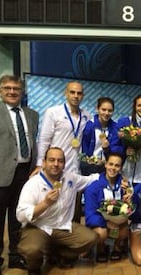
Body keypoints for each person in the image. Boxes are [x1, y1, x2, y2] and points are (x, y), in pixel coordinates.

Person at [0, 75, 39, 275]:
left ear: (22, 91)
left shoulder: (32, 114)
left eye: (16, 88)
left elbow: (32, 142)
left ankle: (16, 255)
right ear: (0, 90)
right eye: (7, 88)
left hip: (25, 173)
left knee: (19, 218)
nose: (12, 91)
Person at [16, 147, 99, 275]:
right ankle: (34, 266)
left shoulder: (70, 179)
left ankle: (59, 254)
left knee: (91, 239)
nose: (56, 164)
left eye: (60, 161)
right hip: (39, 227)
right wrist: (45, 204)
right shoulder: (33, 184)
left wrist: (116, 177)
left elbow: (91, 179)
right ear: (44, 162)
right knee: (32, 249)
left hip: (63, 226)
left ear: (64, 164)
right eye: (51, 160)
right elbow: (20, 215)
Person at [35, 81, 91, 222]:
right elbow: (44, 139)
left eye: (79, 93)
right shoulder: (53, 112)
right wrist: (39, 163)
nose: (75, 96)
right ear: (65, 93)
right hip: (55, 167)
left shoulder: (86, 116)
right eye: (72, 92)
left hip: (75, 169)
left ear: (83, 96)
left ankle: (74, 240)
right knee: (53, 205)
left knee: (74, 209)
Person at [84, 153, 132, 262]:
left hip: (118, 223)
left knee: (124, 228)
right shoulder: (94, 187)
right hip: (101, 224)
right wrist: (106, 222)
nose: (113, 168)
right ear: (105, 165)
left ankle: (117, 248)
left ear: (120, 168)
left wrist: (129, 198)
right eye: (111, 164)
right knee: (102, 233)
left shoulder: (125, 184)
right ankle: (101, 248)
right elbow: (90, 214)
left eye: (117, 165)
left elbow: (131, 207)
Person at [117, 95, 141, 186]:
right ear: (135, 107)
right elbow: (114, 145)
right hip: (124, 172)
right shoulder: (125, 122)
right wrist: (124, 151)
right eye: (139, 105)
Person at [81, 97, 120, 171]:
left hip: (108, 168)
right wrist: (90, 161)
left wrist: (107, 149)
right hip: (90, 167)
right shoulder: (90, 126)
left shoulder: (115, 127)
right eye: (103, 110)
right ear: (97, 109)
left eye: (110, 111)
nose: (107, 113)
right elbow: (84, 149)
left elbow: (116, 150)